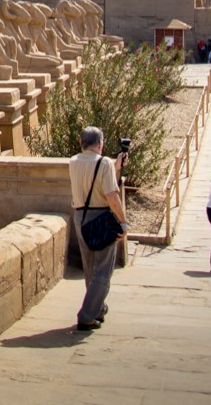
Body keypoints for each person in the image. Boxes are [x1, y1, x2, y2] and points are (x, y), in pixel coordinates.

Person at [69, 126, 127, 331]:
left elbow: (91, 173)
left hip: (80, 217)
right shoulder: (104, 165)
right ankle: (86, 315)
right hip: (101, 217)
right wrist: (123, 221)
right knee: (103, 270)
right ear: (100, 143)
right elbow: (111, 195)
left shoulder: (73, 162)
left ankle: (98, 309)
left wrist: (115, 166)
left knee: (90, 268)